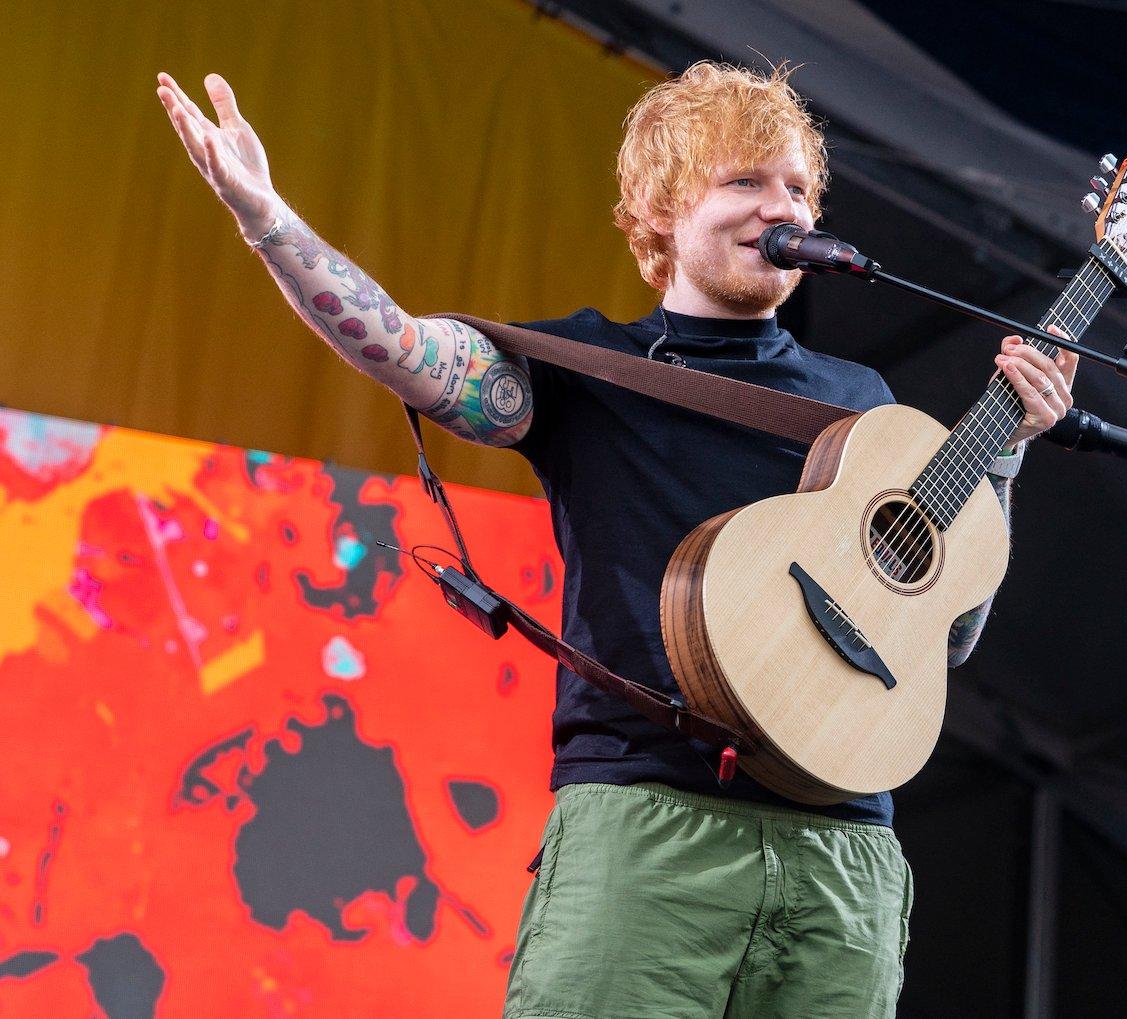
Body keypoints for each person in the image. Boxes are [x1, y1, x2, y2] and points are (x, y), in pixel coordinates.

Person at [157, 59, 1076, 1018]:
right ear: (662, 208)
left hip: (844, 856)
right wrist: (267, 216)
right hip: (647, 825)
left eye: (799, 186)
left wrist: (1003, 457)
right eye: (745, 181)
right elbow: (397, 345)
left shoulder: (865, 402)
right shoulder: (585, 370)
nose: (783, 206)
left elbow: (945, 636)